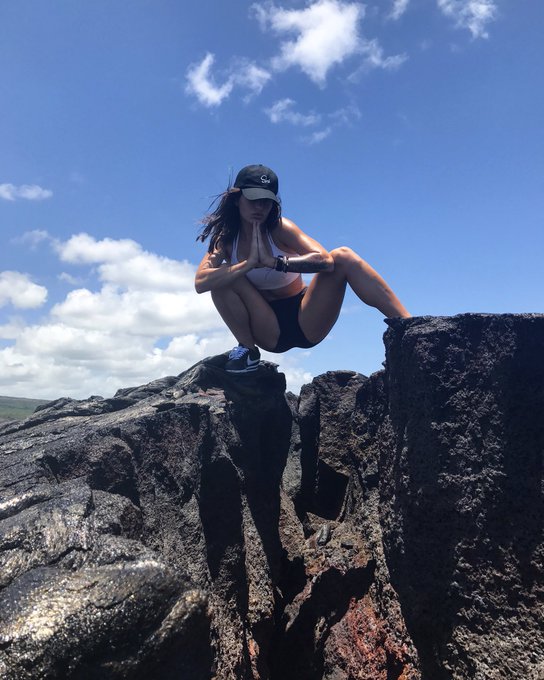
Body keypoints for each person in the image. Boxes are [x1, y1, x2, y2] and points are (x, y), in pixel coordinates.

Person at [195, 164, 410, 373]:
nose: (259, 207)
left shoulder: (279, 228)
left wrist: (275, 262)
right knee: (222, 278)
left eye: (266, 201)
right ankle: (247, 351)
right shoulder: (226, 239)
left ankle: (409, 327)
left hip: (306, 317)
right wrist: (247, 265)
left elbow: (325, 260)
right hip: (268, 329)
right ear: (236, 198)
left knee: (343, 256)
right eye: (253, 199)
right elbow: (201, 282)